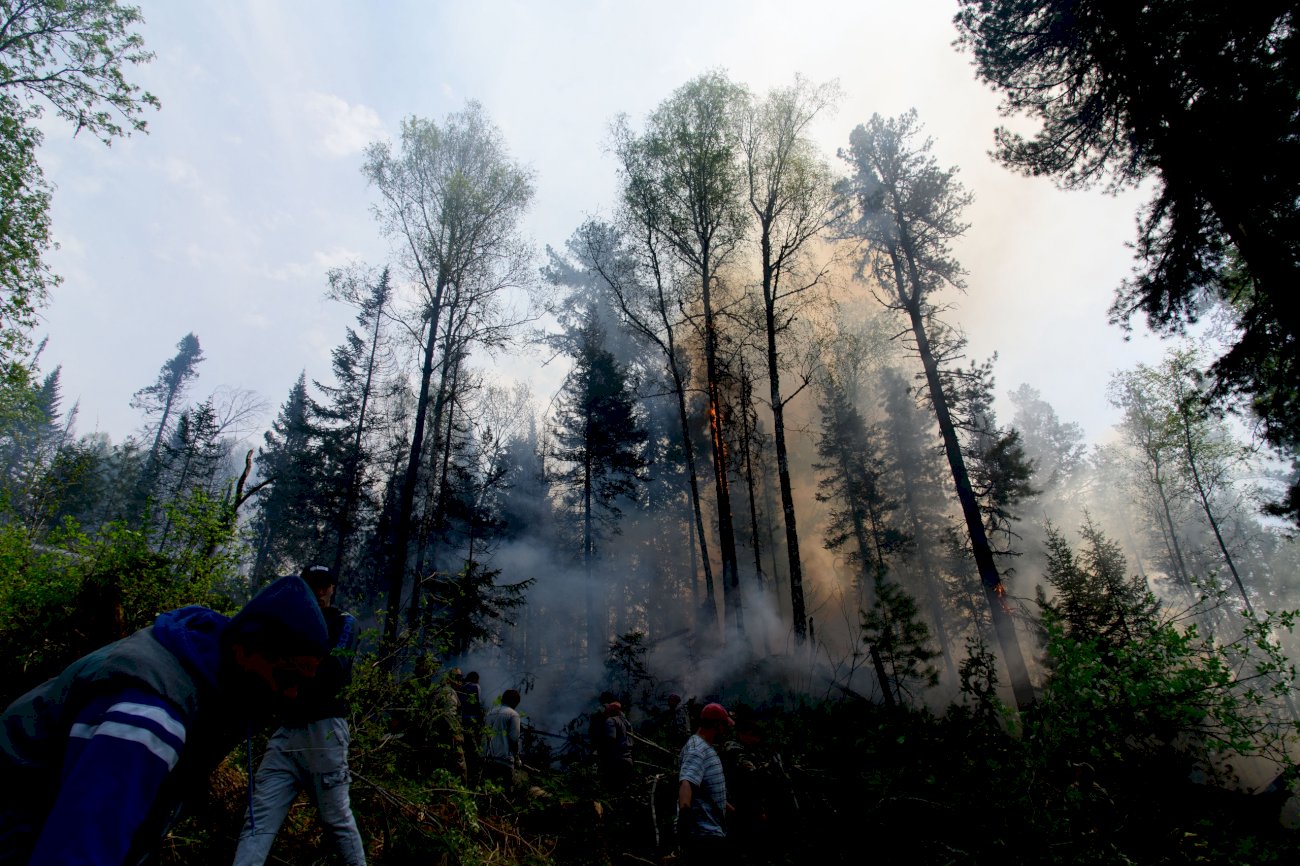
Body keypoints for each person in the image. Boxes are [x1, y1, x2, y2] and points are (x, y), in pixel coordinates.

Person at [0, 575, 330, 866]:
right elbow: (81, 848)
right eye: (286, 677)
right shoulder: (149, 714)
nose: (291, 695)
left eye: (302, 685)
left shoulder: (198, 668)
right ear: (249, 648)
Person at [232, 565, 365, 866]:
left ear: (332, 588)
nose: (319, 592)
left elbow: (335, 671)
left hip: (324, 730)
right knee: (259, 816)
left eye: (324, 585)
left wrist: (288, 681)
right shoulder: (288, 623)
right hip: (286, 731)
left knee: (337, 820)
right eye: (313, 585)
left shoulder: (343, 622)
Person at [677, 702, 734, 864]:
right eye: (724, 725)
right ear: (716, 724)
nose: (725, 730)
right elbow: (687, 782)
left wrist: (733, 812)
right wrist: (685, 815)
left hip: (713, 832)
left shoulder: (705, 748)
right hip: (704, 837)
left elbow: (706, 791)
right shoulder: (697, 751)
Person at [481, 688, 522, 789]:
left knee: (487, 791)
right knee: (504, 793)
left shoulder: (489, 713)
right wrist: (517, 759)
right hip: (504, 762)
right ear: (513, 701)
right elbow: (514, 739)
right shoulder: (513, 715)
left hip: (487, 760)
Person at [599, 700, 635, 790]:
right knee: (624, 792)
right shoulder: (627, 724)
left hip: (616, 762)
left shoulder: (610, 721)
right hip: (628, 760)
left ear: (611, 711)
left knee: (612, 791)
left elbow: (610, 739)